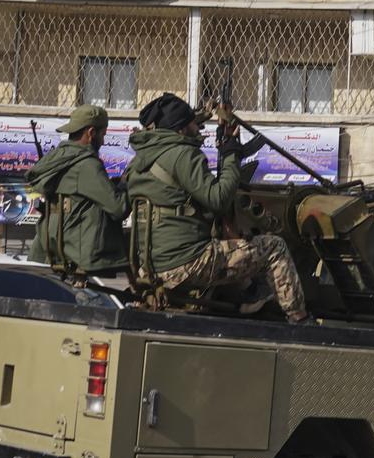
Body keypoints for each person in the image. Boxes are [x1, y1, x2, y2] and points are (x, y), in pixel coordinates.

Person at [126, 92, 308, 321]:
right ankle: (299, 318)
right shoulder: (184, 154)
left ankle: (248, 297)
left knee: (227, 241)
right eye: (192, 121)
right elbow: (219, 199)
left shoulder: (139, 161)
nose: (197, 126)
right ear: (181, 128)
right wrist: (231, 151)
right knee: (274, 247)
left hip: (149, 266)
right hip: (186, 263)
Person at [26, 105, 129, 277]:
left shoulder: (57, 157)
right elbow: (118, 208)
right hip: (76, 250)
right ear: (91, 133)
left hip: (48, 246)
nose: (103, 142)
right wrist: (126, 185)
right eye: (103, 135)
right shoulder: (87, 164)